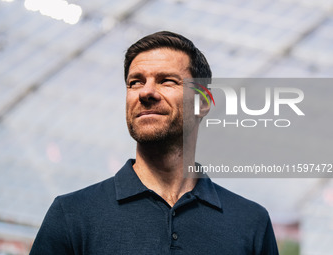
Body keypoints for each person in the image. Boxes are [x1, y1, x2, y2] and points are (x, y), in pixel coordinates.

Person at [30, 31, 279, 254]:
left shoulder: (251, 222)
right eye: (135, 82)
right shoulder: (72, 214)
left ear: (203, 103)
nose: (145, 92)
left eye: (167, 80)